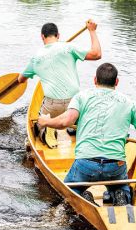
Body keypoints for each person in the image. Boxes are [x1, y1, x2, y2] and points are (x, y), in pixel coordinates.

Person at [38, 62, 136, 206]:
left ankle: (84, 196)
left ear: (95, 80)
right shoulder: (129, 102)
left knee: (69, 191)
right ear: (116, 82)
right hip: (115, 165)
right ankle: (120, 193)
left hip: (86, 164)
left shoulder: (81, 97)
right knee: (121, 185)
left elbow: (66, 121)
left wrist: (46, 122)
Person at [18, 20, 101, 148]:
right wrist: (92, 31)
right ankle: (75, 127)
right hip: (74, 104)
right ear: (58, 35)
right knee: (84, 116)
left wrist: (23, 77)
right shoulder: (68, 47)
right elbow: (97, 54)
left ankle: (46, 128)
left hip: (52, 107)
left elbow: (20, 80)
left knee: (38, 125)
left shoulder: (35, 58)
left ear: (42, 37)